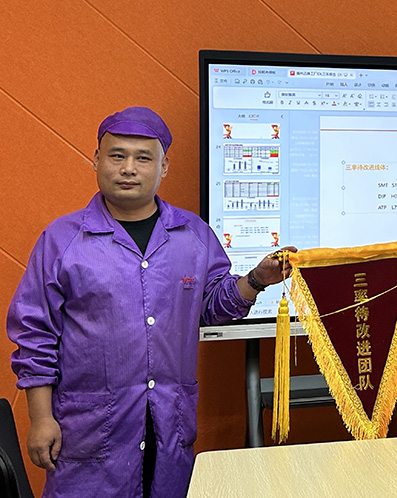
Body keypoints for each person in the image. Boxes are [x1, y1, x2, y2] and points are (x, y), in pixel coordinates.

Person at [7, 107, 291, 498]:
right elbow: (35, 334)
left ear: (163, 167)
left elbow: (211, 306)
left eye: (143, 158)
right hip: (90, 433)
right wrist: (40, 418)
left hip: (168, 427)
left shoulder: (192, 235)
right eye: (117, 156)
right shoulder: (62, 239)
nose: (128, 169)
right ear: (96, 160)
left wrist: (256, 280)